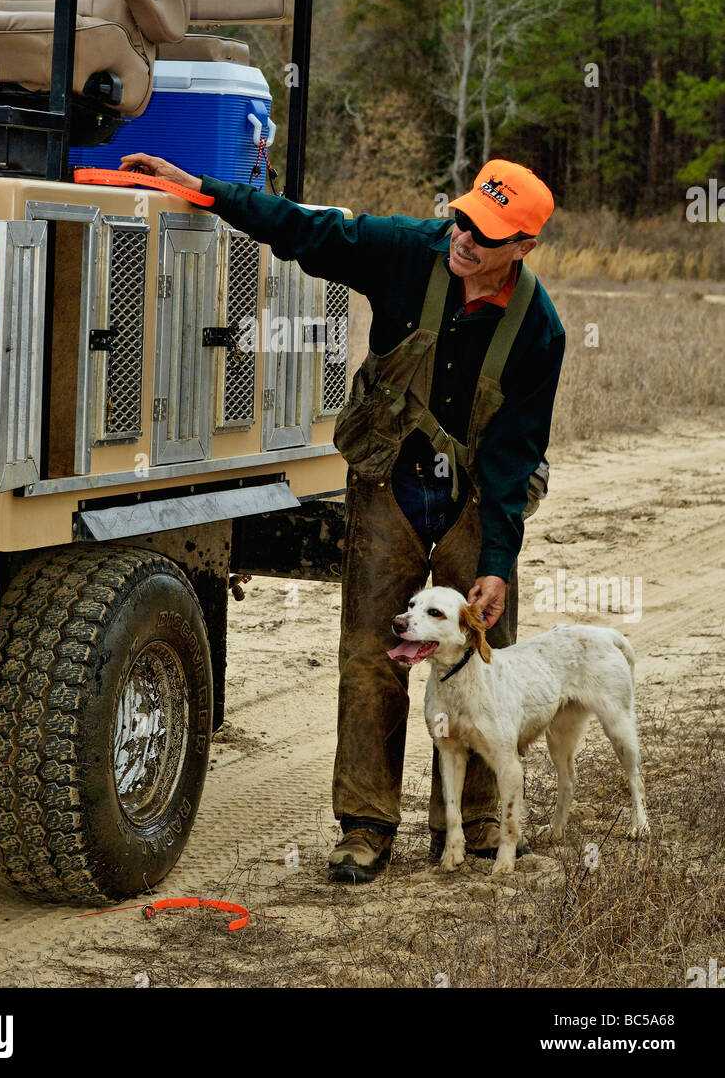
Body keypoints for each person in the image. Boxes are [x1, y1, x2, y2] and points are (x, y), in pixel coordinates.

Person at [120, 150, 565, 882]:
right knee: (370, 656)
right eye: (461, 218)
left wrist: (494, 565)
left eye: (484, 235)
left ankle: (479, 822)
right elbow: (307, 230)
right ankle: (365, 827)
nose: (462, 237)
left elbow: (516, 454)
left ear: (521, 248)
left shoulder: (538, 331)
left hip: (477, 500)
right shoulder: (405, 251)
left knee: (483, 661)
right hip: (387, 480)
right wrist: (204, 188)